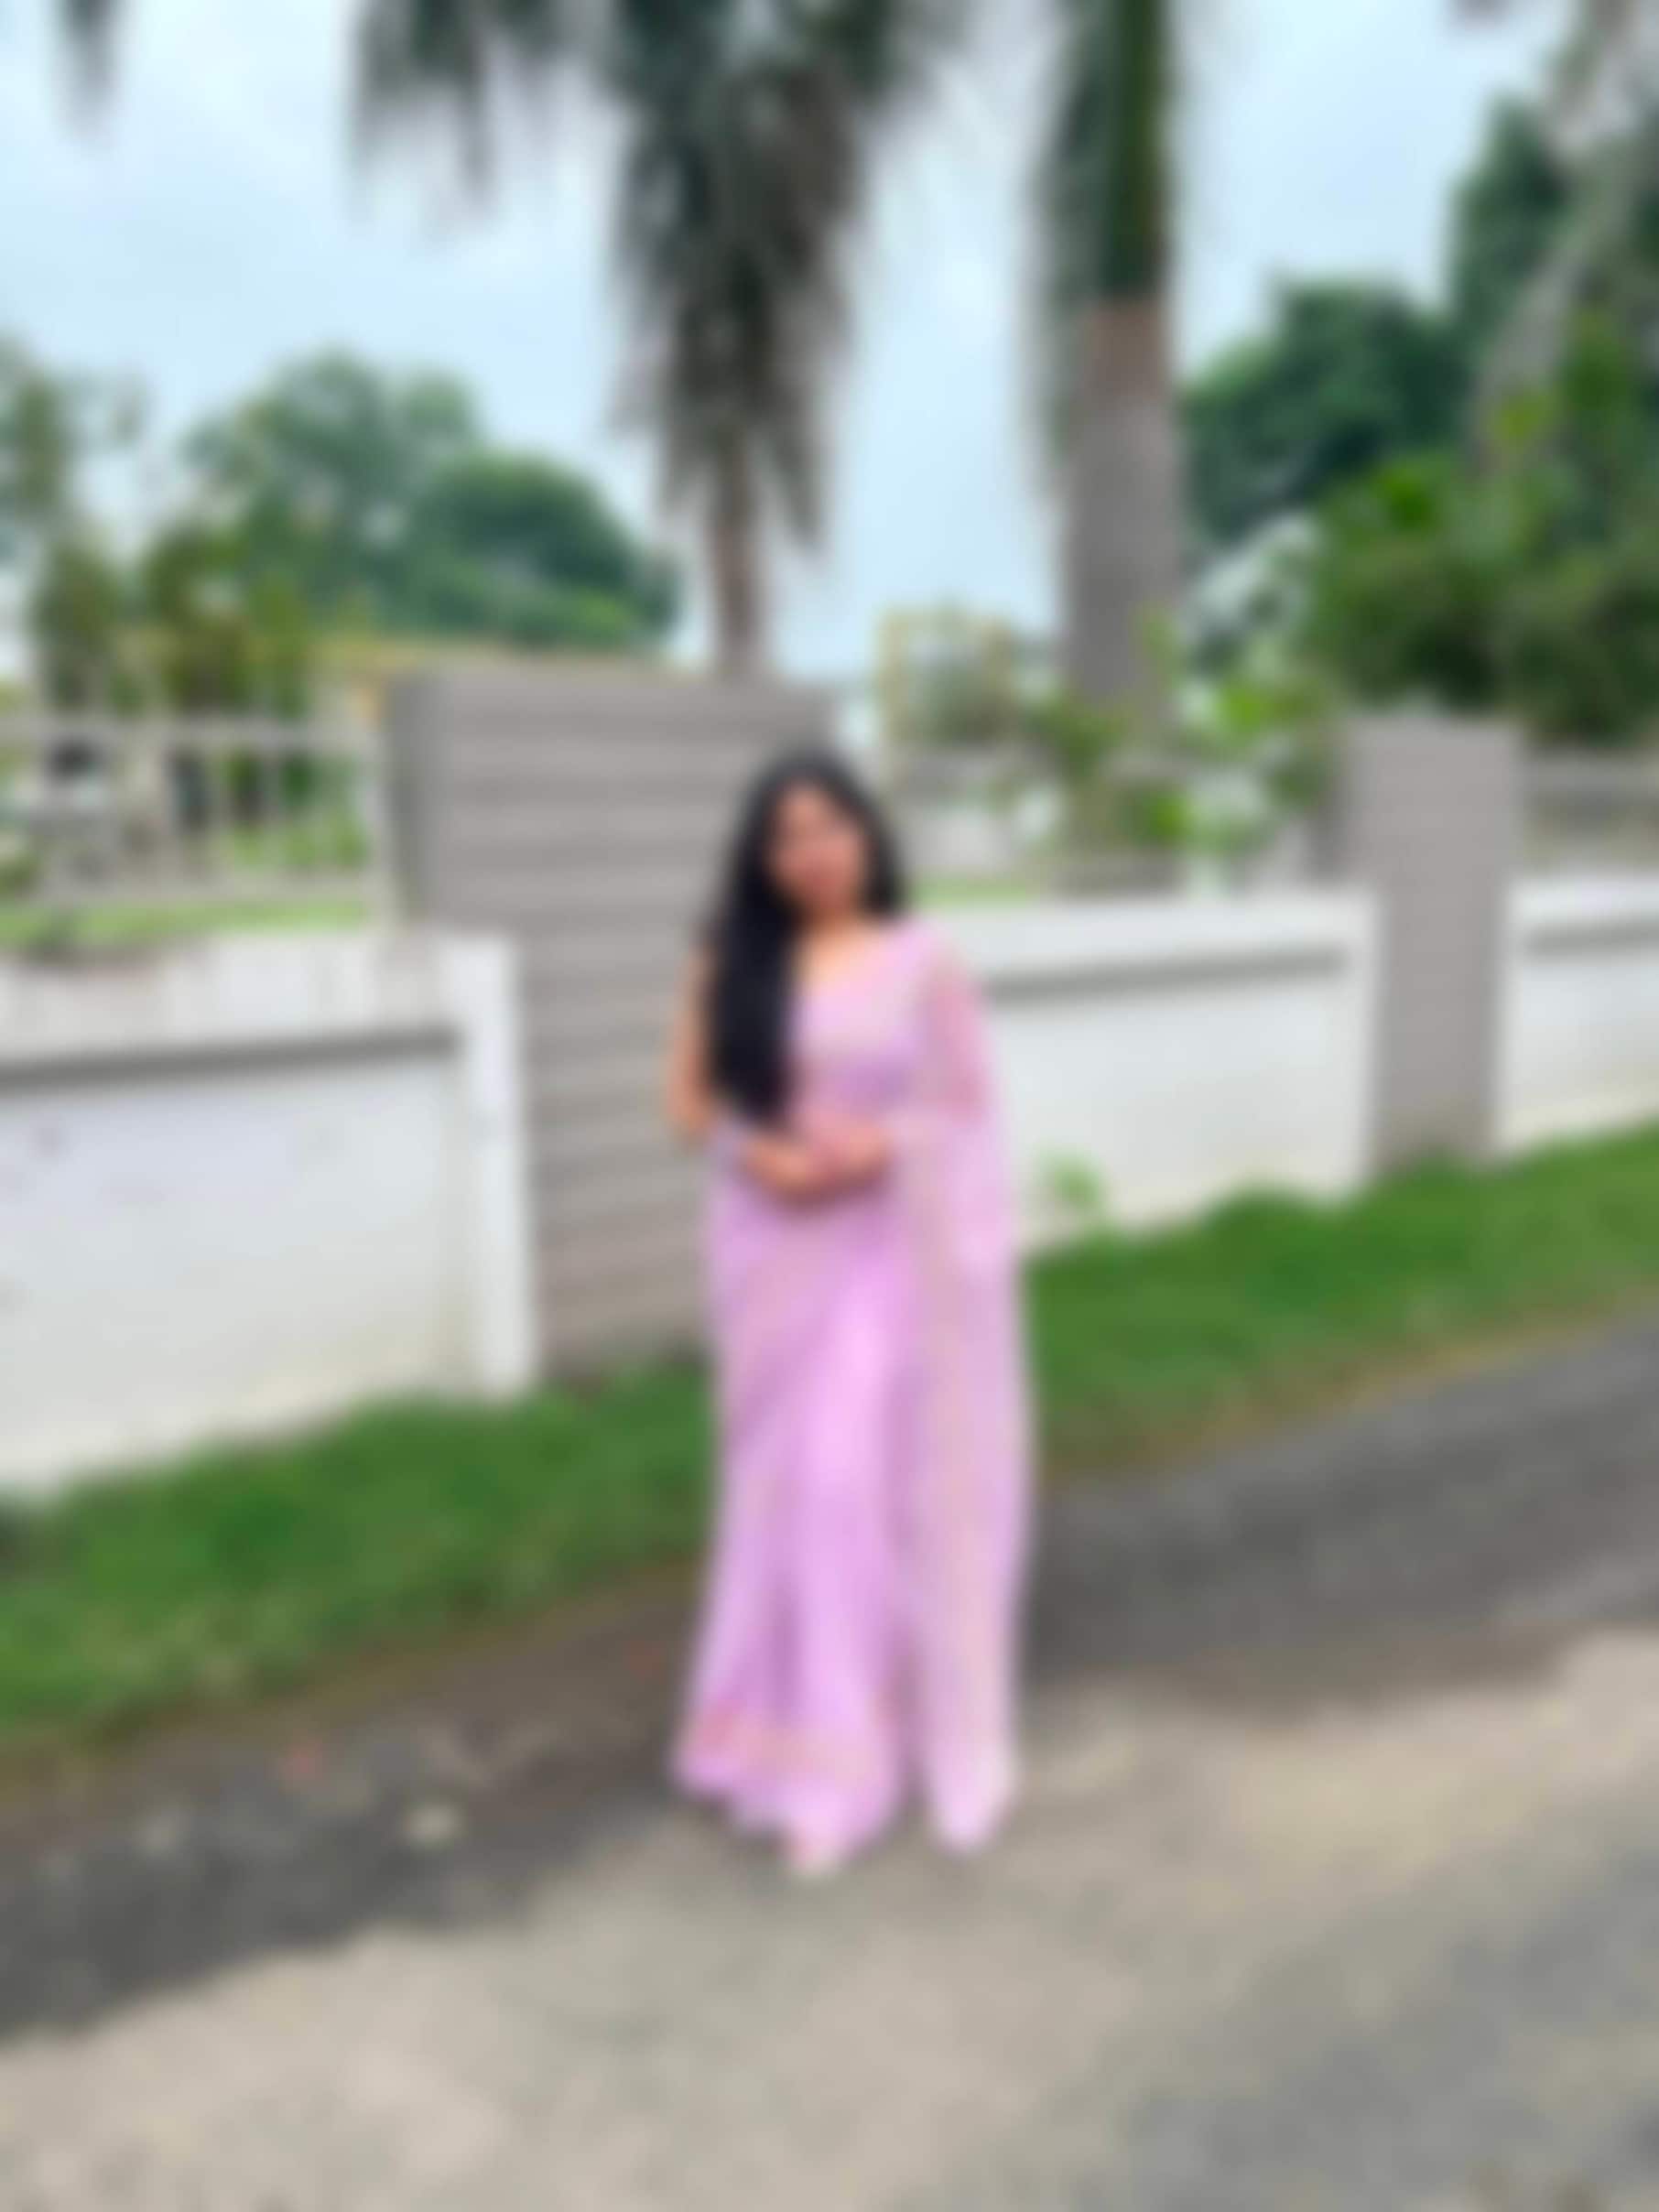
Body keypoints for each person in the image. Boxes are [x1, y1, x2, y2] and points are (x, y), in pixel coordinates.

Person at [662, 750, 1031, 1877]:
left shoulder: (926, 961)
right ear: (761, 858)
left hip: (889, 1249)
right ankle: (778, 1735)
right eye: (787, 836)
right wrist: (759, 1154)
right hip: (771, 1252)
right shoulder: (731, 960)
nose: (813, 852)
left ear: (867, 833)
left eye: (830, 825)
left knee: (845, 1485)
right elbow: (688, 1104)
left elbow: (966, 1108)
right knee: (783, 1497)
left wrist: (885, 1146)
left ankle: (841, 1770)